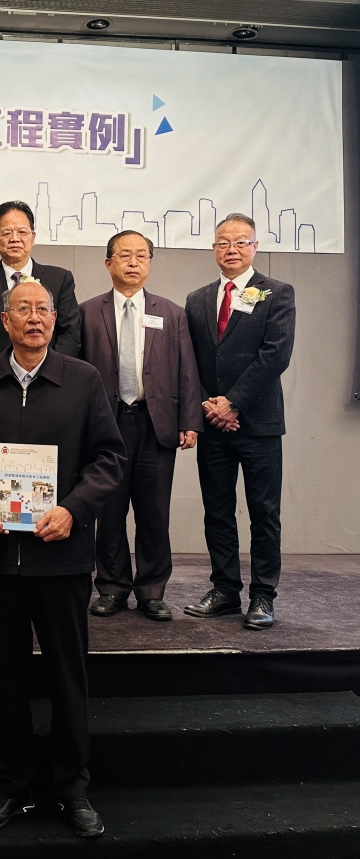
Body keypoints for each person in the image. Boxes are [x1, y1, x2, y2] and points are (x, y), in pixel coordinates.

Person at [0, 280, 124, 839]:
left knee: (69, 676)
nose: (34, 317)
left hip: (62, 557)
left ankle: (72, 788)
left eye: (43, 309)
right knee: (7, 677)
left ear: (55, 319)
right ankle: (11, 785)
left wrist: (72, 509)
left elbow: (109, 459)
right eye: (22, 308)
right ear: (5, 320)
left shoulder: (83, 380)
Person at [79, 231, 203, 621]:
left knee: (154, 512)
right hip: (107, 424)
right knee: (109, 511)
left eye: (141, 256)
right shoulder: (87, 312)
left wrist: (190, 420)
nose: (133, 262)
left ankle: (152, 590)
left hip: (156, 423)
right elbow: (77, 372)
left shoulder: (172, 312)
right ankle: (112, 587)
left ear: (149, 263)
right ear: (108, 263)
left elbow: (187, 370)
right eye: (124, 255)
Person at [183, 213, 296, 630]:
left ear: (254, 247)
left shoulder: (276, 292)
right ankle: (225, 590)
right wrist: (209, 406)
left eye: (239, 242)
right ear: (214, 249)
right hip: (213, 424)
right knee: (217, 510)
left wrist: (233, 403)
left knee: (264, 512)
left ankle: (263, 596)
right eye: (222, 243)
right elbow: (189, 360)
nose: (231, 249)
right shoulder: (197, 299)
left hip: (259, 424)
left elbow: (275, 355)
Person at [0, 199, 82, 367]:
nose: (15, 239)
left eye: (22, 232)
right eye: (6, 233)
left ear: (33, 237)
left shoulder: (59, 279)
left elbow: (70, 335)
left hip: (49, 377)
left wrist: (48, 371)